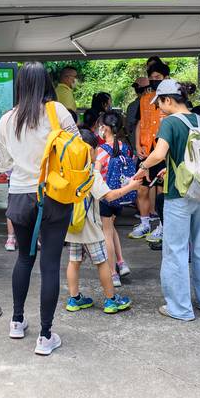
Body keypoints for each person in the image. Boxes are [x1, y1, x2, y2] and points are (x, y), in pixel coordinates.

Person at [0, 62, 78, 356]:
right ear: (46, 83)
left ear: (20, 85)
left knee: (24, 259)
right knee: (50, 264)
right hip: (54, 195)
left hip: (19, 196)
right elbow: (78, 151)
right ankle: (45, 335)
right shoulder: (58, 112)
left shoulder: (7, 119)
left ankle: (16, 321)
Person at [134, 79, 200, 321]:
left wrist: (143, 166)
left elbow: (159, 153)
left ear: (168, 99)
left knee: (176, 251)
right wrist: (167, 169)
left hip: (179, 194)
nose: (158, 108)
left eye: (159, 102)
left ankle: (180, 308)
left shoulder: (170, 122)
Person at [65, 128, 137, 315]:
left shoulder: (67, 170)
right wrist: (131, 186)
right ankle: (111, 300)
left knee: (73, 261)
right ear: (89, 150)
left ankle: (74, 299)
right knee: (102, 263)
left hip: (73, 225)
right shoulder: (90, 174)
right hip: (90, 227)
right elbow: (110, 196)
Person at [130, 60, 171, 242]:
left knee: (163, 191)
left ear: (166, 78)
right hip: (146, 151)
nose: (154, 80)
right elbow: (140, 123)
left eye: (158, 78)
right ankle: (145, 223)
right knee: (142, 189)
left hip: (163, 152)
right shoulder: (145, 99)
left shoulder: (171, 99)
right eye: (151, 78)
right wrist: (138, 146)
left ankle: (163, 226)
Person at [94, 111, 134, 287]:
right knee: (112, 229)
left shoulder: (102, 150)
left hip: (106, 197)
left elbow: (95, 173)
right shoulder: (125, 147)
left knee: (106, 235)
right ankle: (121, 262)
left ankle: (112, 273)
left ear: (105, 128)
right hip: (121, 197)